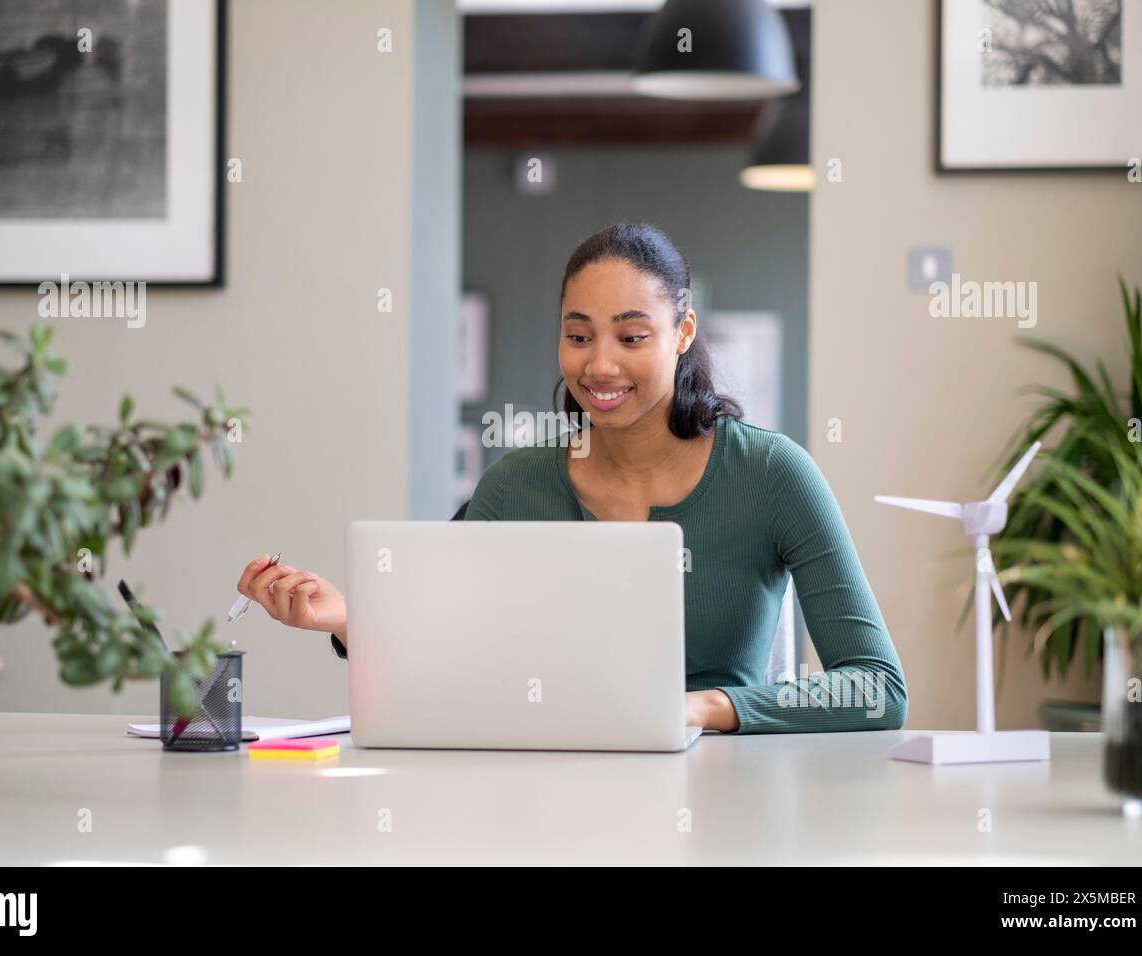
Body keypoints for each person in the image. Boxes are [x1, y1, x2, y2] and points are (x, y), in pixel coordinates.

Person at [237, 222, 907, 734]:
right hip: (539, 794)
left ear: (682, 333)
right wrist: (350, 617)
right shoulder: (515, 487)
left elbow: (876, 687)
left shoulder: (772, 475)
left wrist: (705, 707)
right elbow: (439, 662)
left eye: (632, 336)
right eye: (579, 335)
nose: (600, 364)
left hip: (717, 803)